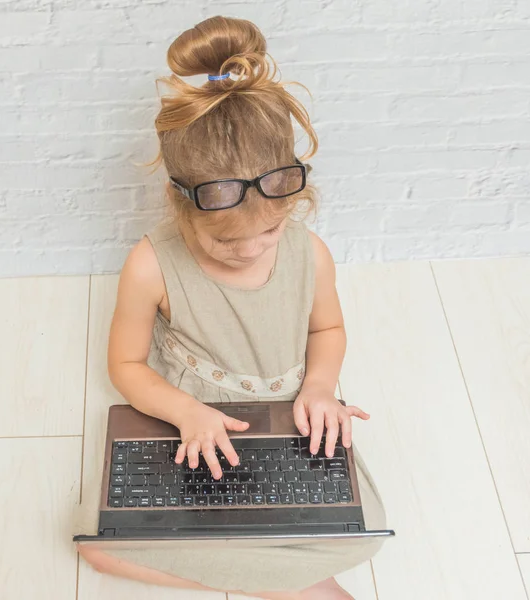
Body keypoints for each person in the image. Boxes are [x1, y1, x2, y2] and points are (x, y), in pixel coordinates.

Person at [76, 15, 387, 600]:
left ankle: (269, 568)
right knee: (97, 545)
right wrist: (185, 413)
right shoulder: (150, 265)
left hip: (285, 417)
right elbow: (126, 367)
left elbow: (328, 326)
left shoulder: (309, 252)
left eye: (269, 231)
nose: (249, 252)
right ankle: (291, 584)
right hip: (194, 419)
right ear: (179, 203)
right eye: (224, 242)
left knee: (356, 524)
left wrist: (319, 388)